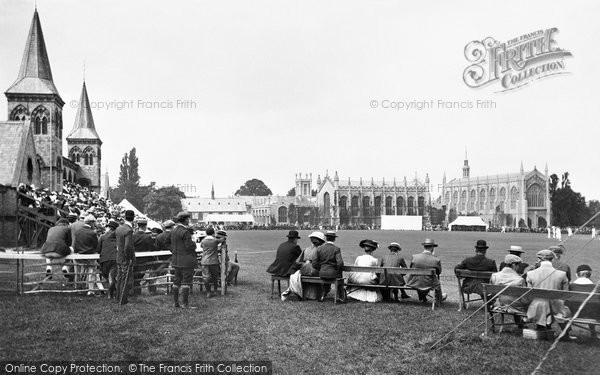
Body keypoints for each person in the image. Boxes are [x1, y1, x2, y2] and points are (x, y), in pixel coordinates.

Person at [526, 249, 574, 339]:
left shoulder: (530, 274)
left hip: (537, 307)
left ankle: (541, 328)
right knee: (561, 306)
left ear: (539, 259)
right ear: (552, 259)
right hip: (557, 308)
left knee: (540, 303)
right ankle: (566, 333)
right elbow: (566, 294)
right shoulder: (562, 274)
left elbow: (529, 295)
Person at [281, 231, 325, 301]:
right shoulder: (321, 249)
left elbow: (298, 262)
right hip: (314, 271)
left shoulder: (306, 249)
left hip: (304, 270)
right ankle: (319, 295)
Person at [171, 211, 199, 308]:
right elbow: (189, 246)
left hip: (176, 260)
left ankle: (176, 303)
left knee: (176, 281)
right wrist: (194, 243)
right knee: (186, 282)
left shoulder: (173, 230)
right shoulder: (185, 232)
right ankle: (185, 304)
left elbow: (169, 243)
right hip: (186, 261)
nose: (189, 220)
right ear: (186, 220)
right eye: (188, 219)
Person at [406, 238, 446, 303]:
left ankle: (422, 296)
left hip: (414, 282)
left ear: (424, 247)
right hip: (429, 284)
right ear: (433, 248)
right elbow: (439, 272)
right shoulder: (436, 260)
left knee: (420, 278)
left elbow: (411, 269)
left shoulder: (415, 257)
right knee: (435, 281)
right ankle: (439, 299)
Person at [568, 265, 599, 339]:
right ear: (590, 275)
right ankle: (593, 333)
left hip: (574, 314)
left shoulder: (571, 286)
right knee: (592, 305)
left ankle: (566, 334)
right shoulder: (596, 287)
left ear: (576, 275)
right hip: (593, 315)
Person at [73, 214, 100, 295]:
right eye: (94, 223)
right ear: (91, 223)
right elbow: (96, 246)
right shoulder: (92, 233)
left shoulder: (77, 232)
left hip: (79, 255)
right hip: (90, 256)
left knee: (78, 271)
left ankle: (78, 287)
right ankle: (90, 290)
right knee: (92, 271)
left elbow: (75, 245)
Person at [314, 231, 345, 302]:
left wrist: (321, 268)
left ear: (326, 238)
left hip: (322, 273)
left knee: (328, 279)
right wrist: (336, 269)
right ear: (334, 239)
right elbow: (340, 263)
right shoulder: (336, 249)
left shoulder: (319, 248)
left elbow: (314, 263)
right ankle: (340, 296)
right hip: (332, 273)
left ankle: (323, 295)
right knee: (339, 276)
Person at [115, 210, 136, 305]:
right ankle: (123, 300)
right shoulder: (129, 230)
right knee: (125, 279)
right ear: (133, 218)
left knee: (120, 278)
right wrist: (129, 258)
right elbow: (128, 247)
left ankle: (118, 298)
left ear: (124, 217)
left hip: (119, 256)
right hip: (125, 258)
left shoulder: (119, 228)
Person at [133, 218, 156, 295]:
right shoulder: (147, 237)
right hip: (144, 261)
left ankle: (135, 292)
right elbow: (151, 248)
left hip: (134, 260)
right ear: (145, 226)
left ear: (137, 225)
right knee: (141, 277)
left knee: (135, 277)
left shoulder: (133, 236)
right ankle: (139, 292)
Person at [200, 227, 225, 298]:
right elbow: (223, 239)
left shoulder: (203, 240)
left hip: (205, 261)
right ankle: (215, 290)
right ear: (213, 233)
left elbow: (201, 246)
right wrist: (221, 236)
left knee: (206, 277)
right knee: (215, 276)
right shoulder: (215, 241)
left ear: (206, 233)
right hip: (214, 261)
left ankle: (208, 292)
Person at [98, 220, 119, 299]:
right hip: (115, 259)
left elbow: (98, 249)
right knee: (112, 276)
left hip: (105, 259)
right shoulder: (118, 237)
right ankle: (113, 292)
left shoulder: (102, 237)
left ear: (110, 228)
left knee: (108, 276)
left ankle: (110, 294)